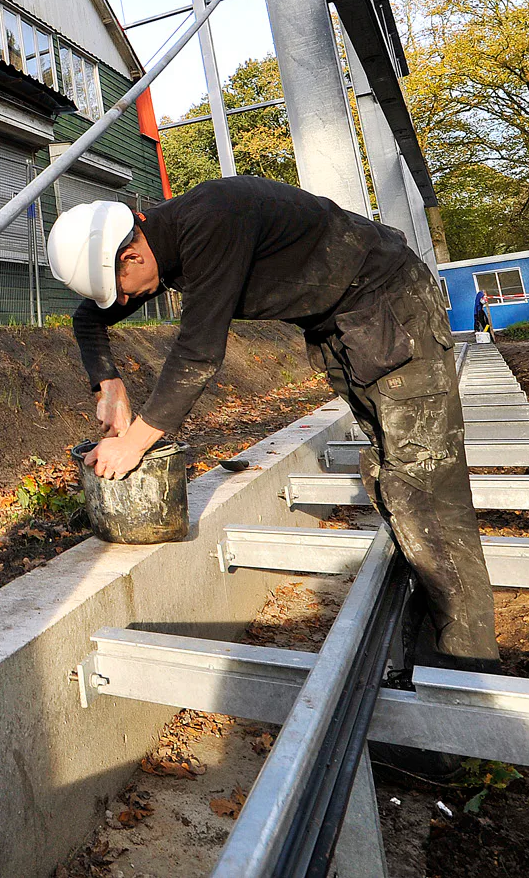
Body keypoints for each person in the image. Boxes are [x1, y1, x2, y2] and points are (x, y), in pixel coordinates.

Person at [47, 175, 497, 667]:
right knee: (399, 478)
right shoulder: (166, 244)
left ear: (130, 257)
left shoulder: (211, 224)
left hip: (390, 309)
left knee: (427, 494)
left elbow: (197, 354)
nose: (127, 305)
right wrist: (108, 385)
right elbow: (87, 319)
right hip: (351, 330)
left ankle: (466, 679)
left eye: (123, 293)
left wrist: (133, 443)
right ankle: (429, 638)